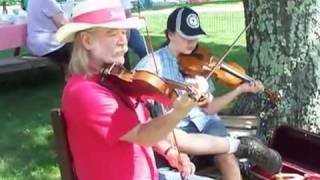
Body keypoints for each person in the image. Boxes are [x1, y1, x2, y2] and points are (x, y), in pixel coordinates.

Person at [56, 1, 213, 179]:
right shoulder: (85, 92)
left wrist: (170, 152)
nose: (123, 40)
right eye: (112, 33)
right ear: (87, 40)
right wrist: (179, 112)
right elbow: (142, 134)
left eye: (124, 32)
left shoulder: (114, 81)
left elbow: (144, 123)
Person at [134, 7, 282, 180]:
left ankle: (242, 152)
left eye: (194, 36)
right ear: (170, 34)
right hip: (177, 130)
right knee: (224, 147)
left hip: (204, 122)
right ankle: (245, 147)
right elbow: (147, 116)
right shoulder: (151, 66)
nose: (192, 41)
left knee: (226, 155)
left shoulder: (199, 61)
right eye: (186, 36)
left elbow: (211, 108)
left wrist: (240, 89)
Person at [26, 0, 72, 78]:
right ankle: (70, 75)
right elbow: (62, 24)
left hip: (34, 44)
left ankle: (68, 73)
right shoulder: (48, 1)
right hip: (48, 45)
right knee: (76, 44)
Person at [120, 0, 148, 69]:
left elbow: (128, 13)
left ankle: (148, 68)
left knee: (142, 49)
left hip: (128, 27)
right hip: (113, 27)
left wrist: (127, 31)